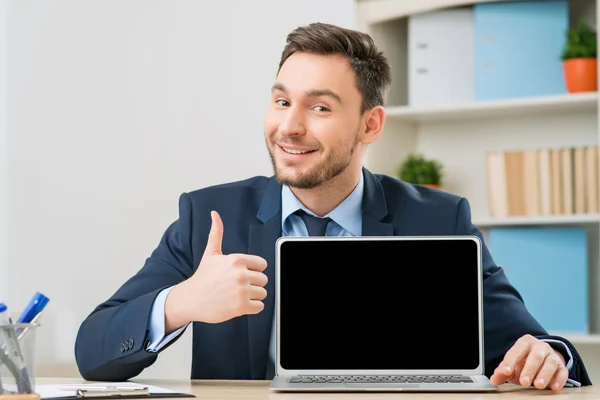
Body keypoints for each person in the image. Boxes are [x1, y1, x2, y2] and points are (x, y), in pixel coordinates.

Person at [74, 22, 592, 391]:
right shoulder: (209, 217)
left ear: (370, 125)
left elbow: (540, 348)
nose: (289, 126)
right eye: (282, 101)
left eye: (319, 107)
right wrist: (183, 301)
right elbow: (92, 352)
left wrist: (548, 356)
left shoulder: (437, 219)